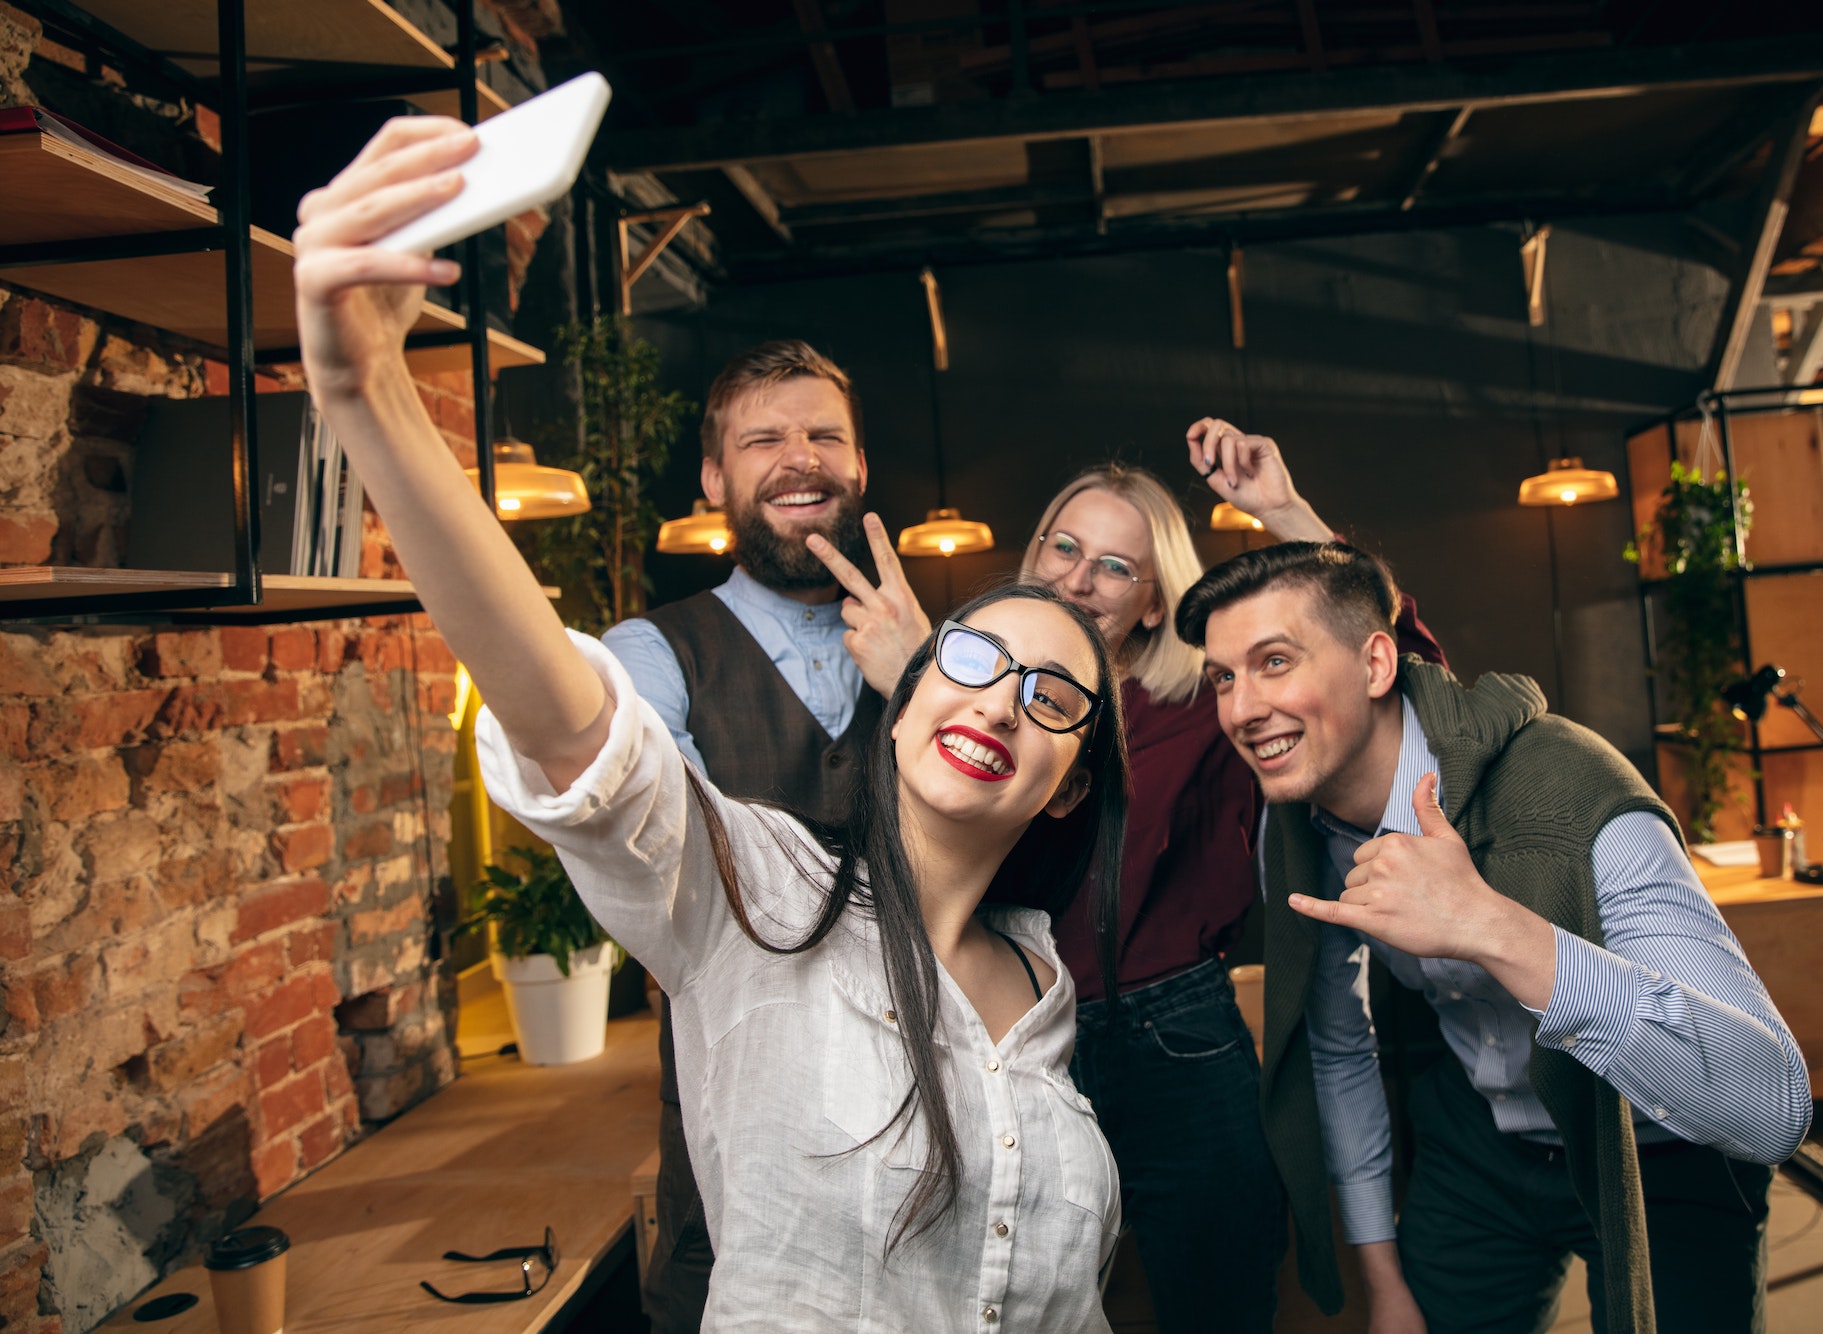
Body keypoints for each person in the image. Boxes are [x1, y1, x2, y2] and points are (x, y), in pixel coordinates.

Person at [291, 117, 1132, 1330]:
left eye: (1049, 693)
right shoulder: (763, 895)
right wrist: (366, 392)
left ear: (1067, 782)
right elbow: (592, 752)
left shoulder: (1042, 983)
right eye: (975, 658)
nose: (998, 693)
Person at [812, 419, 1443, 1332]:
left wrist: (1285, 512)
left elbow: (1398, 678)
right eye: (1062, 548)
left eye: (1114, 565)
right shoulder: (959, 695)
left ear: (1153, 602)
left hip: (1176, 1040)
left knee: (1218, 1300)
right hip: (1012, 1029)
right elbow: (921, 856)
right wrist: (919, 681)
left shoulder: (1208, 702)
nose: (1078, 576)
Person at [1175, 540, 1812, 1334]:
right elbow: (1338, 1049)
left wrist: (1489, 925)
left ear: (1376, 665)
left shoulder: (1573, 791)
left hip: (1662, 1146)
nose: (1239, 709)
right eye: (1224, 679)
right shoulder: (1295, 821)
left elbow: (1773, 1105)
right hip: (1483, 1133)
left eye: (1274, 662)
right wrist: (1385, 1285)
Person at [597, 338, 918, 1332]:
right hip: (729, 1102)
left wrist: (924, 679)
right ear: (713, 476)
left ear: (858, 466)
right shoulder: (648, 654)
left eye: (825, 433)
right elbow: (657, 846)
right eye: (763, 437)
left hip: (925, 1086)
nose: (800, 455)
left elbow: (1018, 846)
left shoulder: (954, 652)